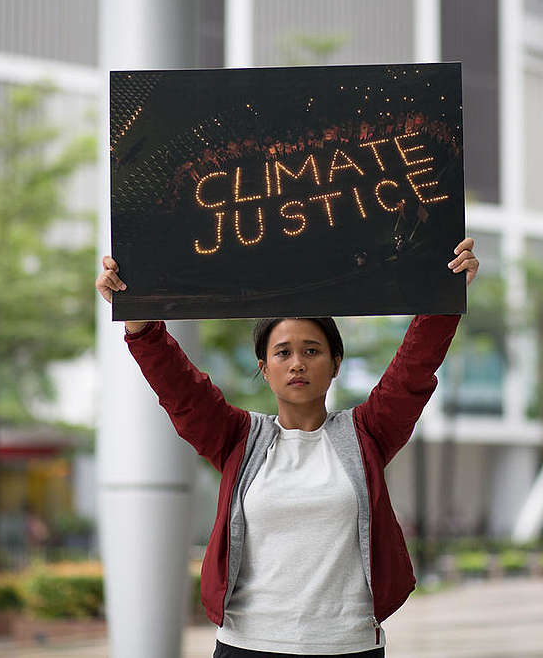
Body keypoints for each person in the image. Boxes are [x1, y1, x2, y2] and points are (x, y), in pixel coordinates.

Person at [96, 238, 479, 657]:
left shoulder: (367, 433)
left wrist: (446, 290)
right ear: (264, 368)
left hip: (347, 647)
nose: (297, 362)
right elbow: (181, 390)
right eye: (283, 352)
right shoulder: (236, 438)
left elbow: (413, 370)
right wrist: (139, 320)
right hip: (247, 646)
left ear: (335, 364)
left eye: (311, 351)